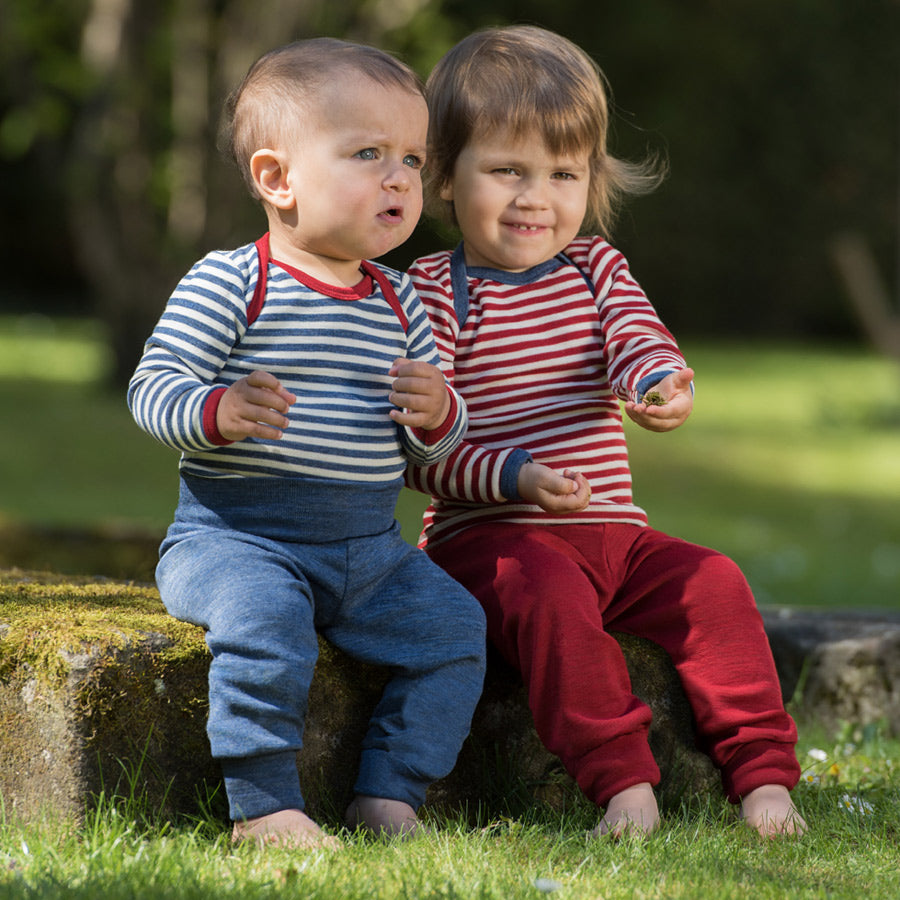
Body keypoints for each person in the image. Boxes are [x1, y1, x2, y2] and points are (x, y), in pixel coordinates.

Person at [405, 25, 805, 839]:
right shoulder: (430, 293)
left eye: (563, 173)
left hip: (615, 539)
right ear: (446, 175)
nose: (535, 197)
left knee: (715, 583)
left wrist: (659, 384)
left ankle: (763, 778)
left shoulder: (598, 269)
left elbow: (636, 340)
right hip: (495, 543)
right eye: (507, 171)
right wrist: (514, 478)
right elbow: (423, 447)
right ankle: (623, 785)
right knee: (546, 594)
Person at [127, 38, 487, 849]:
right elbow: (153, 389)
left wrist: (439, 412)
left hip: (368, 549)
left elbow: (431, 457)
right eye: (367, 153)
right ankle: (264, 807)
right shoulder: (233, 281)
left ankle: (391, 793)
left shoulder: (402, 302)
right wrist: (217, 410)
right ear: (276, 178)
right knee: (263, 622)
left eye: (410, 157)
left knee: (456, 630)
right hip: (235, 538)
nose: (399, 177)